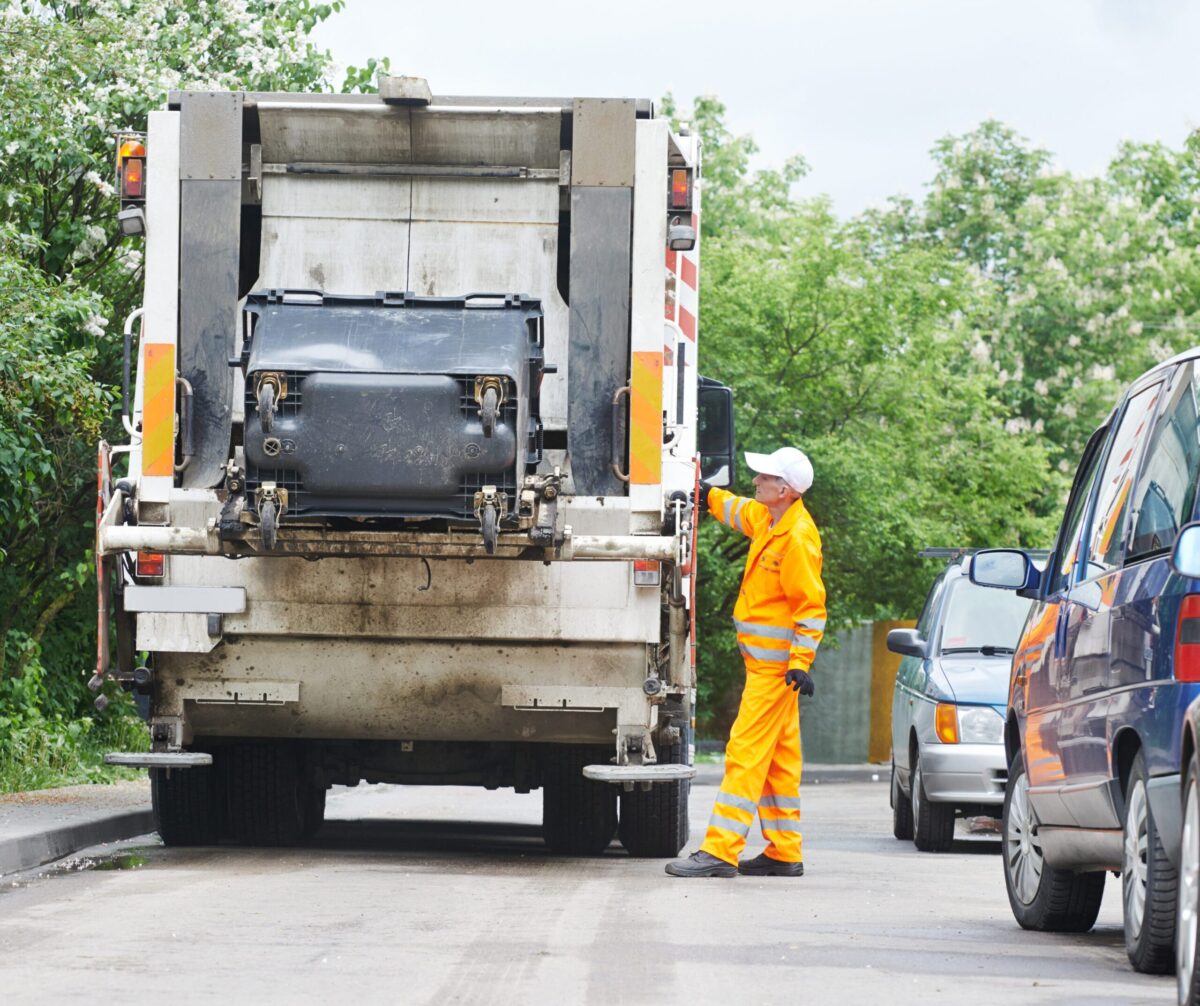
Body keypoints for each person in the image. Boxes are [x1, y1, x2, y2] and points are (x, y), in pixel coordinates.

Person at [666, 446, 826, 878]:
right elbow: (738, 510)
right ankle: (784, 851)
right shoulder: (772, 520)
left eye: (764, 477)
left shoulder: (796, 538)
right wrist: (707, 496)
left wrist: (800, 662)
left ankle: (720, 850)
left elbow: (811, 607)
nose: (755, 481)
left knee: (745, 754)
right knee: (778, 760)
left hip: (776, 673)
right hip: (769, 669)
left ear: (785, 490)